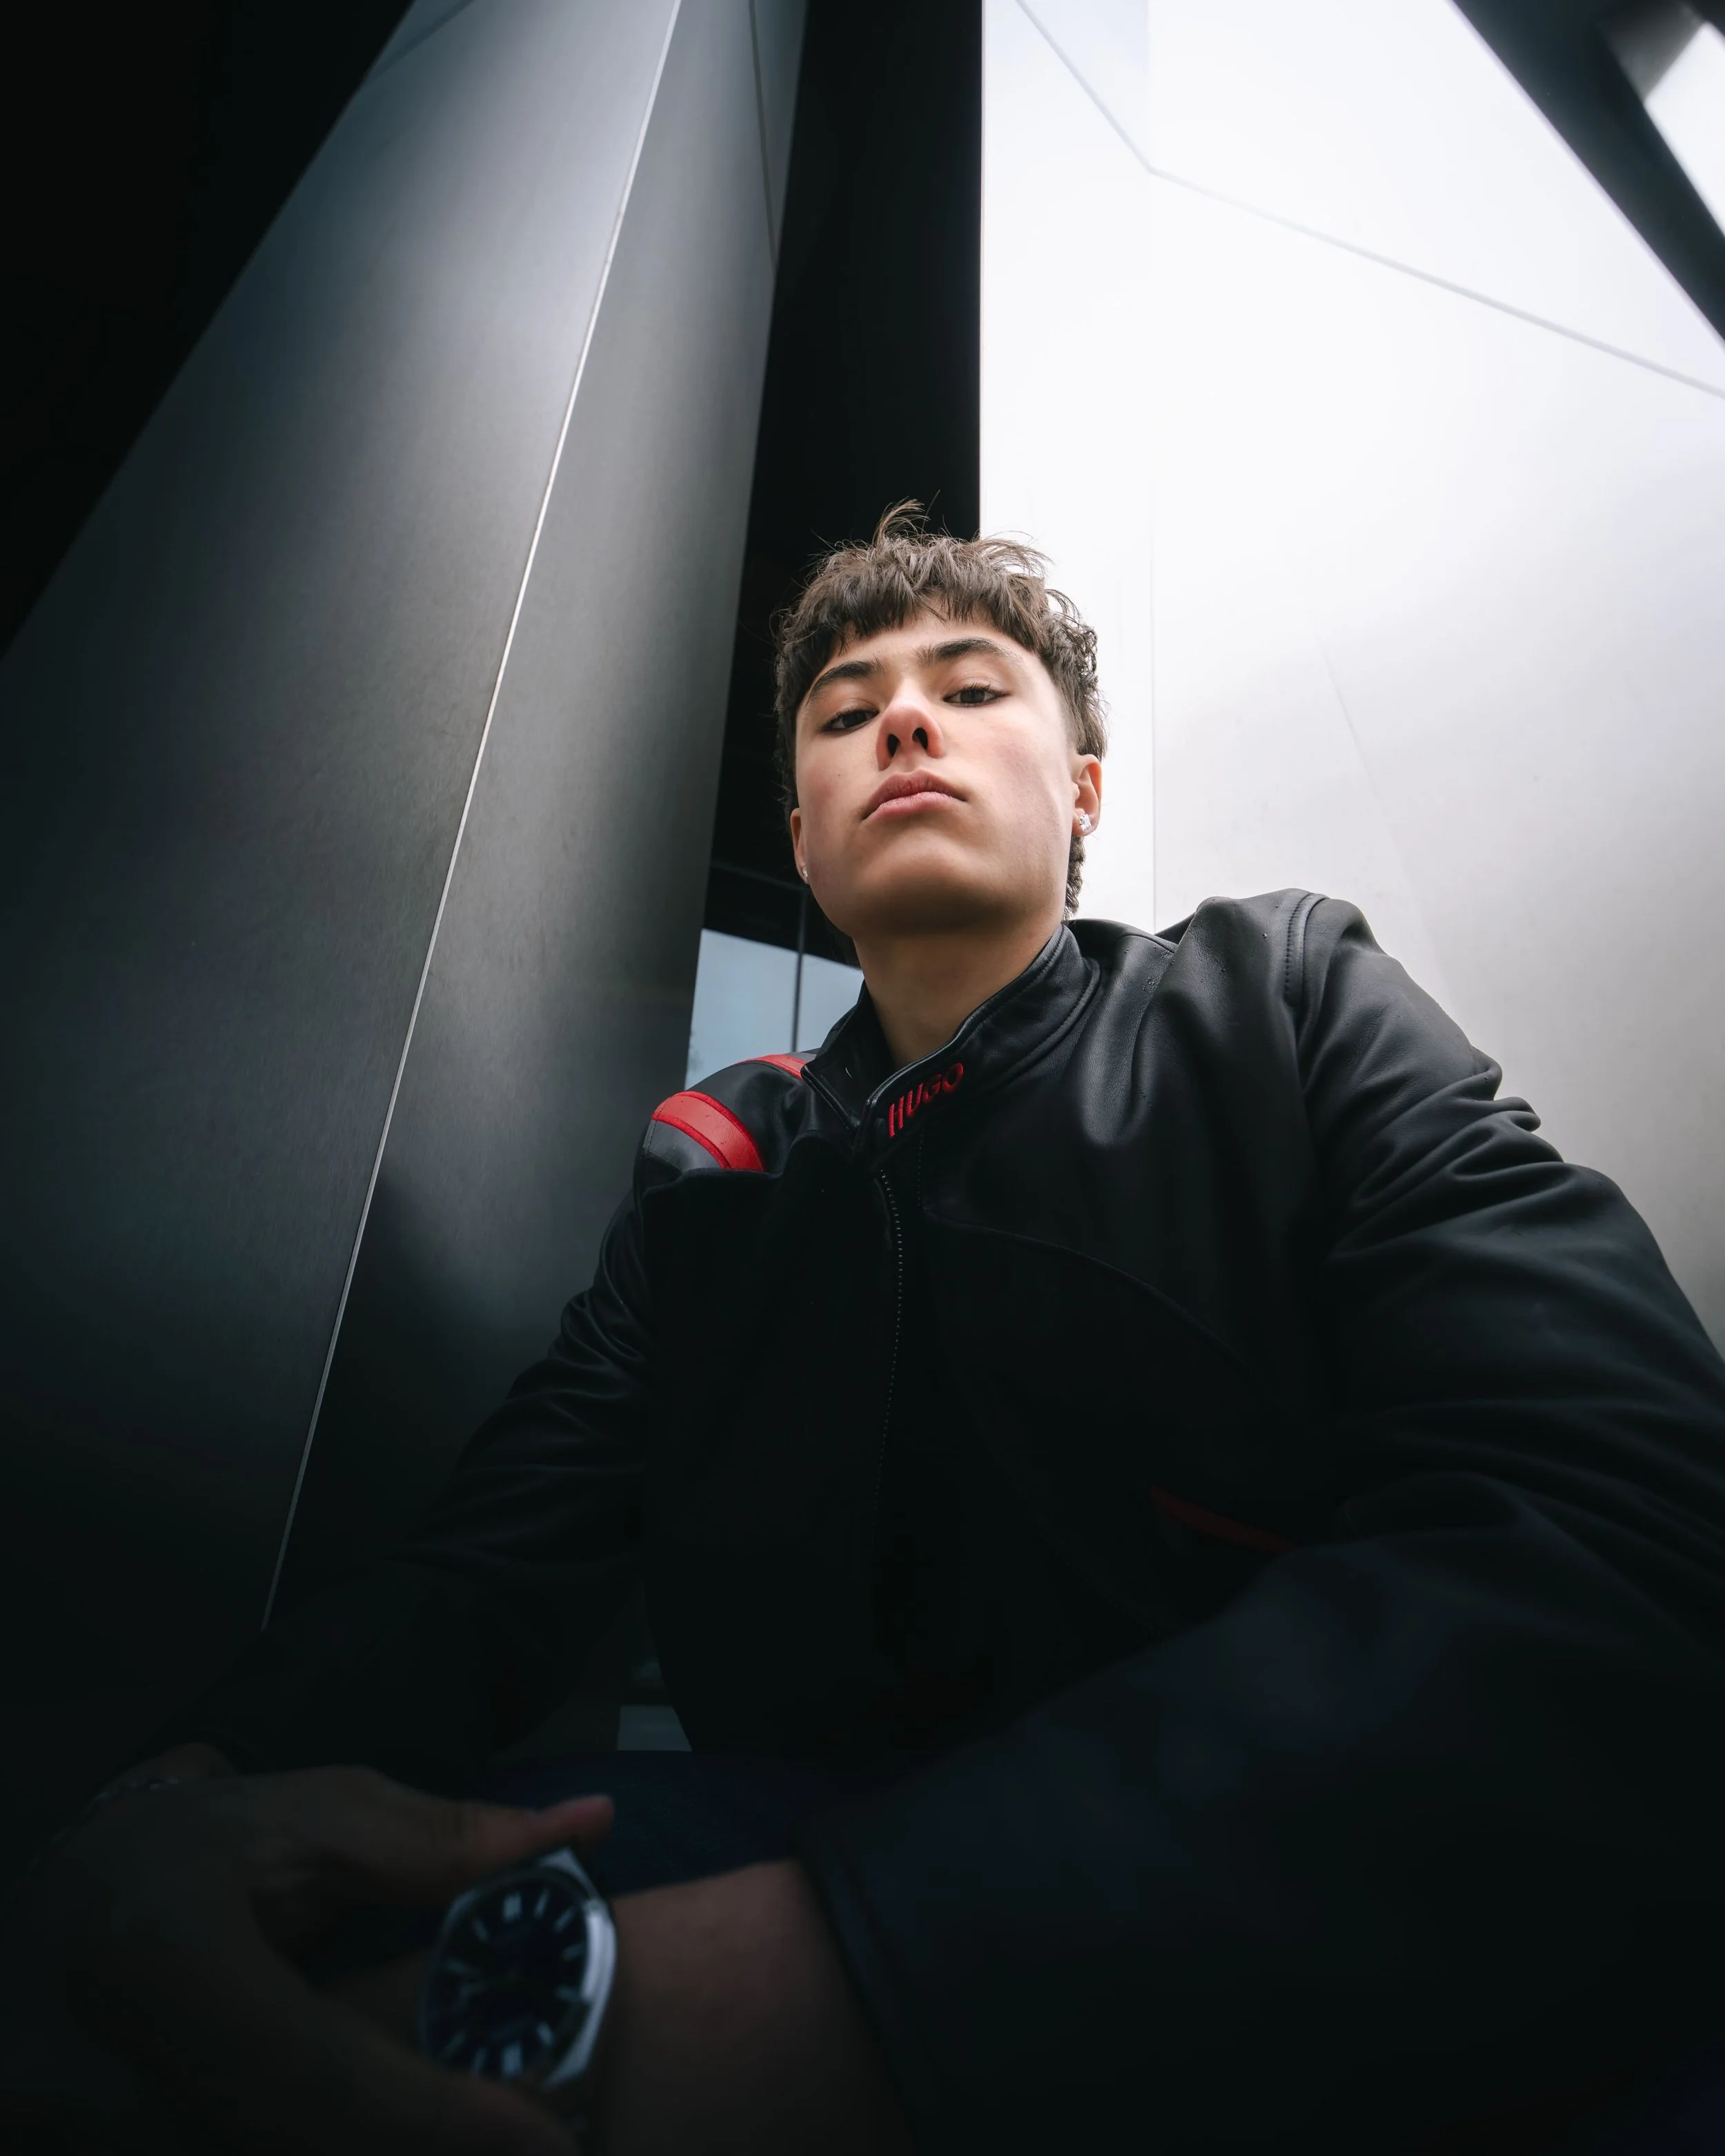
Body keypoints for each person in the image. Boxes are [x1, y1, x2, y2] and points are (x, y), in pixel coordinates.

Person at [8, 505, 1725, 2156]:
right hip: (808, 1820)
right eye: (847, 712)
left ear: (1081, 797)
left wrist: (841, 1984)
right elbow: (482, 1573)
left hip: (1376, 1905)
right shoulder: (710, 1172)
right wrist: (165, 1800)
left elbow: (1625, 1530)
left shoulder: (1276, 995)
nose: (904, 712)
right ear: (811, 830)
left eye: (973, 688)